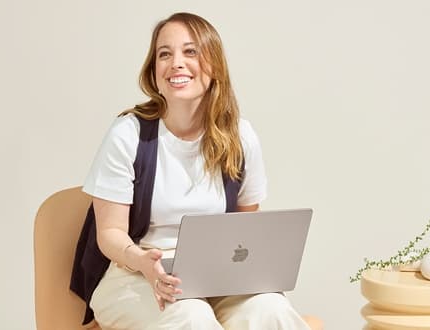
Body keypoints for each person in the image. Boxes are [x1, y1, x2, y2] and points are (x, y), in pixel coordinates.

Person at [78, 12, 324, 330]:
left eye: (190, 51)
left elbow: (247, 225)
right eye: (164, 54)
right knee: (191, 316)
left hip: (217, 275)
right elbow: (110, 233)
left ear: (214, 65)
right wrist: (143, 262)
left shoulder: (240, 136)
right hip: (136, 272)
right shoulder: (128, 134)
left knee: (272, 309)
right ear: (154, 71)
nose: (176, 63)